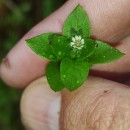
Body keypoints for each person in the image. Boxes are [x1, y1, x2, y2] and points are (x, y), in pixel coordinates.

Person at [1, 0, 130, 129]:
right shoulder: (67, 46)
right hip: (63, 60)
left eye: (79, 43)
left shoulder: (84, 48)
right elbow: (41, 45)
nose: (79, 44)